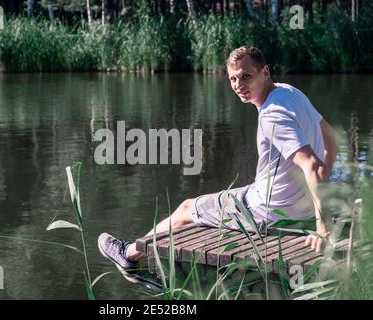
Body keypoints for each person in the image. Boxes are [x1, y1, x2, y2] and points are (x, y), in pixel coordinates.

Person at [98, 46, 339, 281]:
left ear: (265, 72)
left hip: (267, 212)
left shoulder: (272, 115)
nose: (238, 85)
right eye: (233, 78)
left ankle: (129, 256)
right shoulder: (290, 93)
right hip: (294, 207)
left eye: (246, 77)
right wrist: (313, 197)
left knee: (185, 210)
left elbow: (313, 166)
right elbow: (332, 141)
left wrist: (322, 225)